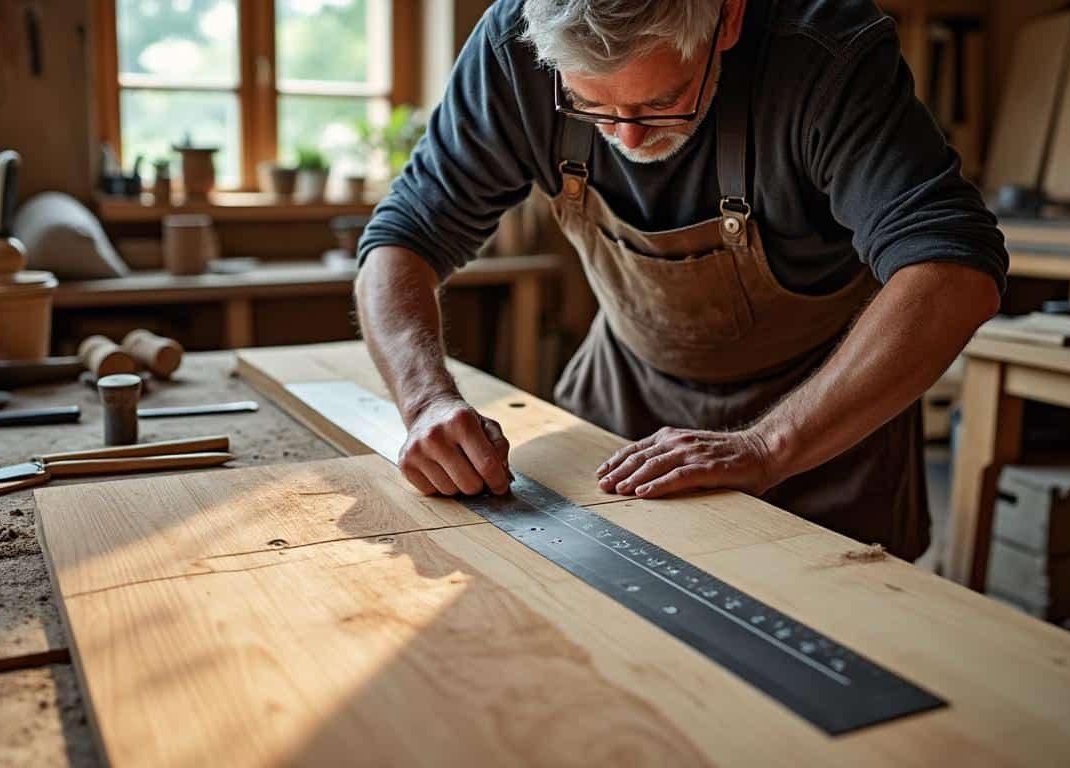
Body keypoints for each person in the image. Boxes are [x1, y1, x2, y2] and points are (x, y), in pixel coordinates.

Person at [353, 0, 1008, 561]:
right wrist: (426, 401)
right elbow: (401, 238)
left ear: (728, 18)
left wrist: (767, 445)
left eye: (662, 101)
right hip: (621, 407)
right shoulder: (517, 38)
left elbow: (953, 269)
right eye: (590, 105)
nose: (628, 136)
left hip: (824, 422)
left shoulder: (823, 51)